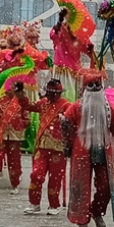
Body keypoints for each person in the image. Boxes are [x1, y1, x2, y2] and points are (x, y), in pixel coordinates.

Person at [62, 69, 114, 227]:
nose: (95, 88)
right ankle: (81, 217)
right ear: (85, 88)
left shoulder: (109, 107)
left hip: (103, 152)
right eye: (91, 85)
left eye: (98, 84)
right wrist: (67, 146)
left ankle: (96, 211)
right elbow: (66, 126)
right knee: (80, 186)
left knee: (105, 187)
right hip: (81, 151)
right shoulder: (76, 107)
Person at [22, 79, 71, 215]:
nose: (50, 95)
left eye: (53, 93)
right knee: (36, 175)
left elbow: (74, 123)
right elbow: (28, 105)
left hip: (58, 149)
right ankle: (34, 203)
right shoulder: (43, 103)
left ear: (59, 93)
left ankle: (54, 205)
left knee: (55, 179)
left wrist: (65, 122)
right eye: (48, 92)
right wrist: (20, 93)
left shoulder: (66, 106)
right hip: (42, 147)